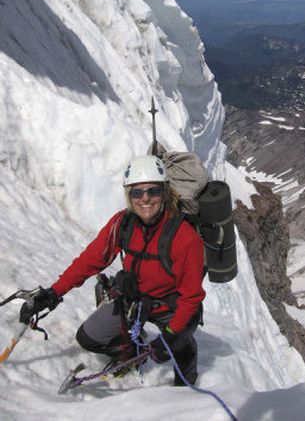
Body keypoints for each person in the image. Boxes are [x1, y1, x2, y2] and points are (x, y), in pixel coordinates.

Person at [19, 155, 206, 386]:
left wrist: (170, 334)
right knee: (88, 338)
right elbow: (90, 260)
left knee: (173, 348)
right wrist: (54, 292)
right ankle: (132, 350)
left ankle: (186, 361)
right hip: (135, 301)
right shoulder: (123, 223)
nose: (145, 199)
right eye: (137, 193)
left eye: (153, 191)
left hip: (172, 306)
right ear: (129, 195)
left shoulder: (184, 238)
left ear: (165, 192)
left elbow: (191, 298)